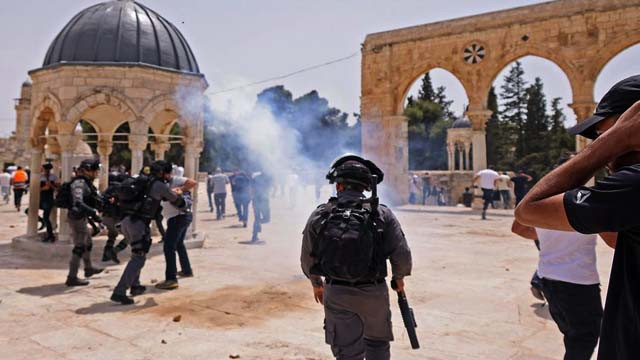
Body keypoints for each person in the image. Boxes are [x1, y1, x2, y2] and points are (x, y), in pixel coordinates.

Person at [515, 74, 640, 359]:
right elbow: (614, 239)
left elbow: (528, 210)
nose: (598, 140)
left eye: (602, 131)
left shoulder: (633, 185)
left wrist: (614, 141)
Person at [301, 154, 412, 360]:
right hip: (374, 293)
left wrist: (317, 283)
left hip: (337, 293)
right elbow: (401, 254)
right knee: (377, 345)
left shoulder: (321, 214)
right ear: (365, 187)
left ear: (339, 186)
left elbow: (308, 256)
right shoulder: (381, 214)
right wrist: (399, 278)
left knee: (346, 353)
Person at [111, 160, 186, 305]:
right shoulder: (159, 185)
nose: (169, 176)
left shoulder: (142, 181)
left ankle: (136, 286)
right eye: (167, 173)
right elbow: (175, 200)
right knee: (139, 258)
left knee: (136, 254)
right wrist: (183, 203)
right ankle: (119, 292)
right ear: (162, 172)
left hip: (126, 221)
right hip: (138, 224)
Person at [156, 166, 196, 290]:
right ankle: (186, 270)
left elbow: (192, 182)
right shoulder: (162, 183)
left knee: (168, 247)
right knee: (179, 244)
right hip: (181, 217)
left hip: (178, 217)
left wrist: (180, 189)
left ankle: (171, 279)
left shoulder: (176, 180)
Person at [65, 159, 104, 286]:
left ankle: (88, 268)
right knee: (79, 247)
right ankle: (72, 277)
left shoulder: (86, 182)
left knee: (88, 243)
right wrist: (93, 212)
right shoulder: (79, 183)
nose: (96, 173)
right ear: (87, 170)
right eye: (94, 170)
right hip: (77, 218)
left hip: (82, 217)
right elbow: (78, 202)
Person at [100, 173, 128, 264]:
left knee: (112, 235)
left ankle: (105, 255)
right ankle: (113, 252)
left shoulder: (109, 189)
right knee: (129, 236)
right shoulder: (122, 189)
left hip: (105, 217)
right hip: (116, 218)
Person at [39, 163, 59, 242]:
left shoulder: (53, 177)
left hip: (49, 199)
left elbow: (57, 188)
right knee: (28, 210)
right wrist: (44, 187)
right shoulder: (40, 177)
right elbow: (37, 188)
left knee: (46, 217)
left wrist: (51, 185)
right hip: (41, 199)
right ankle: (42, 222)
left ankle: (50, 235)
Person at [251, 171, 272, 243]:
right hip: (263, 201)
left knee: (257, 218)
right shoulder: (268, 179)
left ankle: (254, 235)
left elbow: (251, 189)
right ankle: (255, 233)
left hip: (255, 200)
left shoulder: (255, 177)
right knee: (266, 219)